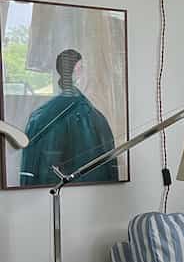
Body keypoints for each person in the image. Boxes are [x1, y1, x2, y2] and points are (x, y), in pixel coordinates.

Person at [20, 49, 118, 186]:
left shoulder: (93, 116)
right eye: (81, 68)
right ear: (73, 72)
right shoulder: (45, 117)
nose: (85, 74)